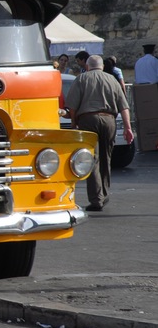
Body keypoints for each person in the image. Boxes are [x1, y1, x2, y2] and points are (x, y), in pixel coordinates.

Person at [65, 54, 135, 211]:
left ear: (87, 66)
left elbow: (72, 107)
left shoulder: (82, 79)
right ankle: (104, 193)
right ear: (102, 66)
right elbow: (124, 107)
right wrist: (128, 128)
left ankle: (96, 199)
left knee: (93, 158)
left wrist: (74, 123)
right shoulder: (112, 80)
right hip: (109, 120)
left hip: (88, 120)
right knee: (106, 157)